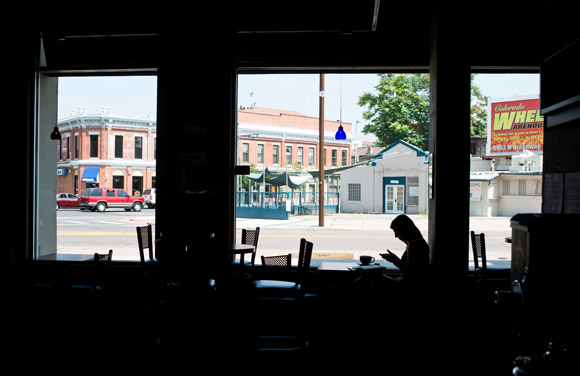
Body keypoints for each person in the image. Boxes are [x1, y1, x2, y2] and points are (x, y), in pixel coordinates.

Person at [380, 214, 431, 286]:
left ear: (404, 230)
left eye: (397, 232)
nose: (396, 236)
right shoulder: (418, 242)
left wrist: (396, 261)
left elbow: (411, 275)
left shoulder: (414, 245)